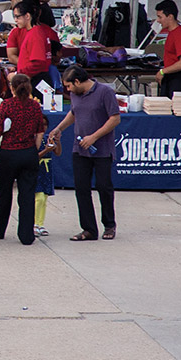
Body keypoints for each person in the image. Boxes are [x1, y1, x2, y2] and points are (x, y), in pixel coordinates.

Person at [48, 66, 122, 241]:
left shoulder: (105, 92)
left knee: (104, 187)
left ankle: (109, 224)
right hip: (80, 148)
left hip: (102, 149)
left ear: (77, 81)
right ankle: (89, 229)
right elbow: (74, 113)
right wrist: (59, 128)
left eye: (68, 86)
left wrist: (94, 137)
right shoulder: (75, 95)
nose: (68, 90)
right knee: (81, 189)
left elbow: (115, 118)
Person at [0, 72, 47, 245]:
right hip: (28, 153)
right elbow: (40, 131)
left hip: (8, 153)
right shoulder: (35, 107)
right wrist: (33, 149)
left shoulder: (7, 105)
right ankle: (26, 234)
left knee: (4, 192)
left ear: (11, 87)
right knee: (27, 194)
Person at [154, 0, 181, 94]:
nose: (158, 20)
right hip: (172, 79)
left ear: (170, 17)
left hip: (179, 82)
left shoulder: (180, 35)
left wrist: (163, 71)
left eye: (160, 17)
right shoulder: (172, 33)